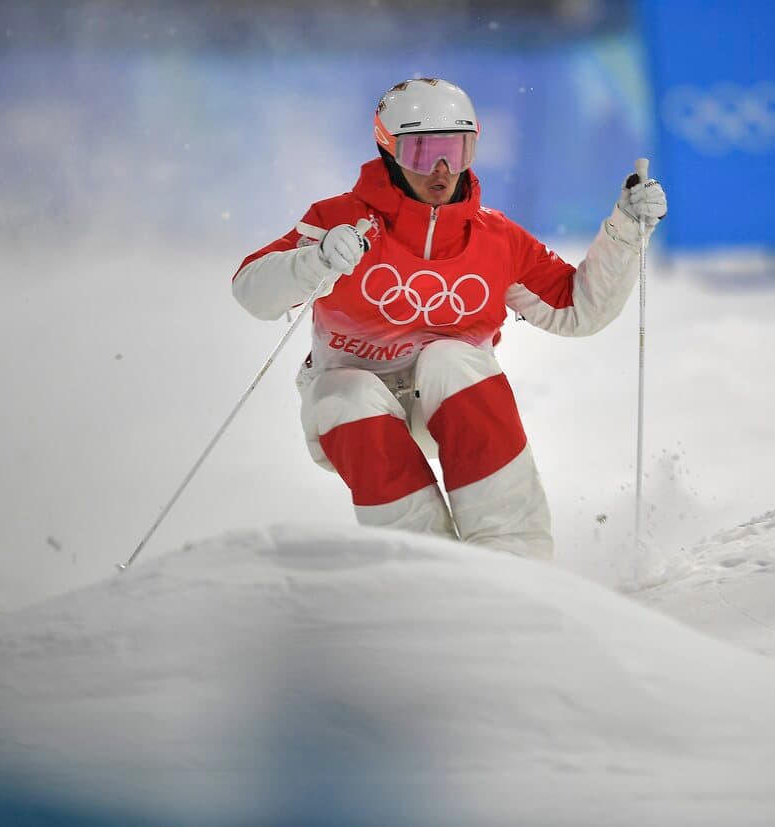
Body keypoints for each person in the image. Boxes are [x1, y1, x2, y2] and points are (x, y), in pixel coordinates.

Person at [232, 78, 666, 561]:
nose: (441, 170)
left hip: (451, 406)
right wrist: (312, 262)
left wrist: (626, 232)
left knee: (450, 357)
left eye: (456, 152)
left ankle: (516, 557)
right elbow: (251, 291)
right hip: (357, 418)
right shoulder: (339, 220)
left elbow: (578, 310)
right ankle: (423, 564)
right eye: (421, 153)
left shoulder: (495, 238)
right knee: (344, 392)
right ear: (390, 151)